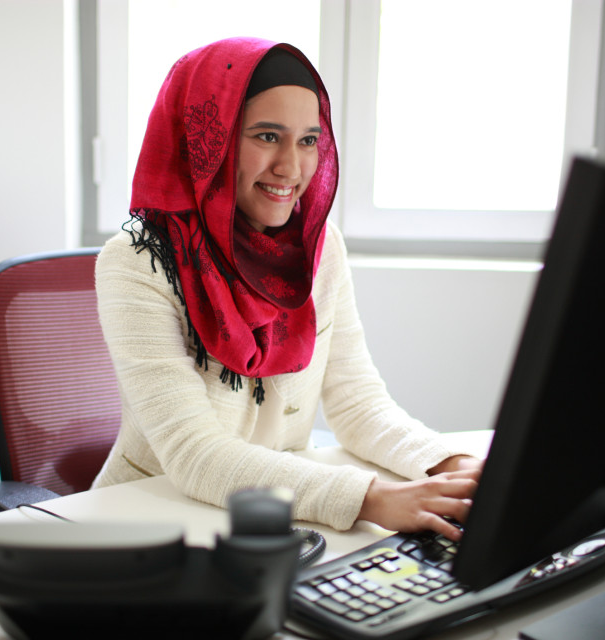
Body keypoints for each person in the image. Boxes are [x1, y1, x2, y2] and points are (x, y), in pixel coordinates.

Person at [91, 37, 481, 541]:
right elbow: (193, 454)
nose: (291, 168)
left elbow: (357, 403)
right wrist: (373, 499)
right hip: (147, 523)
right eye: (267, 136)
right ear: (208, 138)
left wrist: (454, 468)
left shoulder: (319, 248)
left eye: (308, 140)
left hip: (281, 520)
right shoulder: (139, 260)